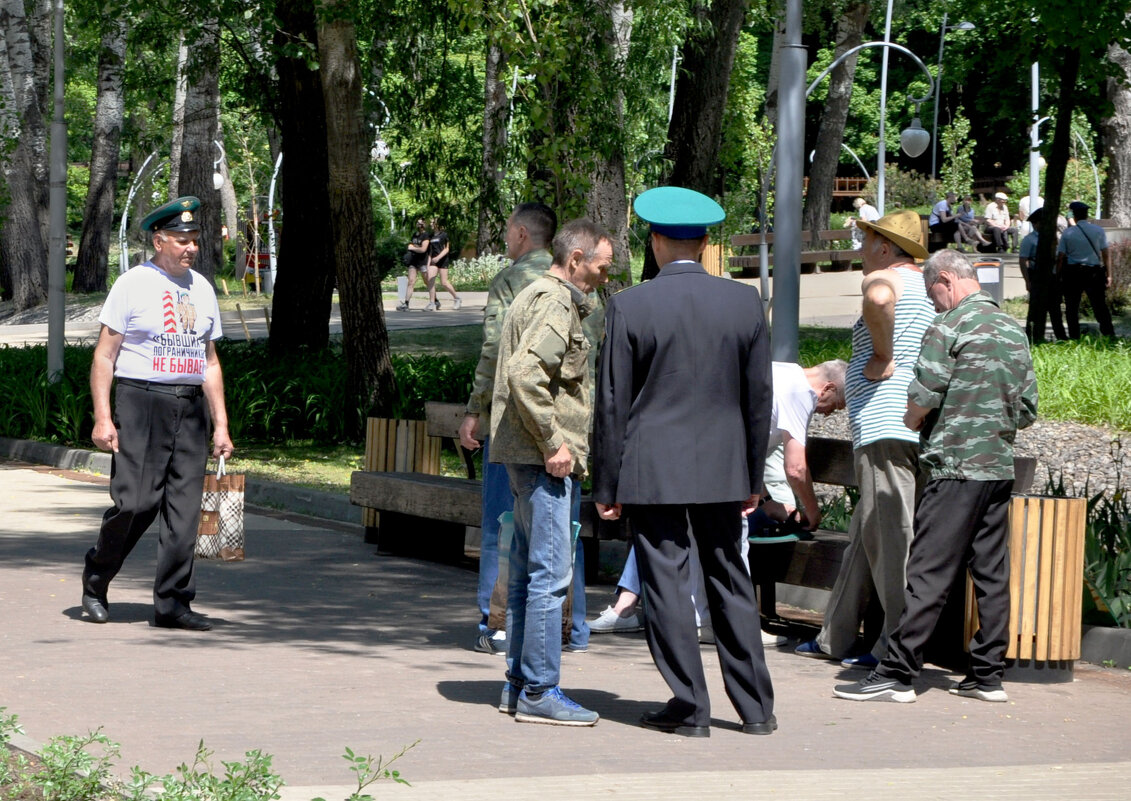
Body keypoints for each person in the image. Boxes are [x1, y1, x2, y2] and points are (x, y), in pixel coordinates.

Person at [593, 186, 776, 738]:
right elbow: (758, 396)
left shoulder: (629, 305)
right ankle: (757, 710)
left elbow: (612, 402)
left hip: (653, 470)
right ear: (704, 242)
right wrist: (752, 476)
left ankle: (690, 706)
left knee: (666, 585)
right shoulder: (745, 302)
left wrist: (606, 483)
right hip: (724, 469)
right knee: (730, 578)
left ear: (654, 241)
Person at [833, 249, 1037, 703]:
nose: (934, 302)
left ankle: (898, 672)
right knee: (991, 574)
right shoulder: (1012, 329)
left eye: (933, 293)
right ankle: (986, 676)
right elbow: (1027, 409)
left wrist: (911, 419)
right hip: (997, 468)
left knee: (927, 570)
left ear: (946, 279)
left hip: (953, 468)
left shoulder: (949, 326)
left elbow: (922, 395)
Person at [589, 359, 847, 641]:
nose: (826, 414)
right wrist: (813, 511)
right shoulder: (800, 392)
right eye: (835, 405)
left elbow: (751, 436)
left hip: (692, 444)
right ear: (827, 388)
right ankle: (739, 629)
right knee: (735, 541)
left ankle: (703, 620)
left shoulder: (778, 370)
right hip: (719, 462)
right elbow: (796, 468)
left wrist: (765, 500)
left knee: (688, 531)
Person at [81, 196, 234, 631]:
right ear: (158, 240)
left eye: (194, 240)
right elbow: (105, 357)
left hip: (190, 409)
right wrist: (103, 417)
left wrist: (220, 424)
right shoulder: (133, 283)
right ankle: (96, 577)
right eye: (181, 239)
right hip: (140, 401)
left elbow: (210, 362)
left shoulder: (202, 289)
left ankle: (172, 604)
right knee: (135, 504)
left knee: (185, 515)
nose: (190, 247)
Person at [795, 209, 934, 670]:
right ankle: (843, 639)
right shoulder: (925, 288)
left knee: (893, 542)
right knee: (870, 538)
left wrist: (881, 353)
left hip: (885, 428)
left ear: (885, 246)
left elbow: (876, 299)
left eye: (866, 239)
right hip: (903, 429)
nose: (860, 249)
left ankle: (897, 649)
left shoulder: (890, 280)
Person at [491, 218, 612, 726]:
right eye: (603, 266)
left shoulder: (539, 294)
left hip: (528, 455)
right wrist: (554, 441)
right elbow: (525, 373)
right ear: (577, 259)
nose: (608, 275)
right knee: (550, 575)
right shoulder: (557, 301)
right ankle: (540, 689)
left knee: (526, 573)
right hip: (544, 459)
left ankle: (519, 684)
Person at [460, 202, 557, 656]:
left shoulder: (510, 282)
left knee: (503, 521)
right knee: (561, 524)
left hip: (510, 423)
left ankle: (496, 623)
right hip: (561, 426)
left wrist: (475, 409)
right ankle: (563, 628)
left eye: (506, 231)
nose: (504, 239)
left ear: (521, 234)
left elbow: (494, 350)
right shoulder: (573, 284)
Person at [1057, 201, 1115, 338]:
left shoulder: (1068, 233)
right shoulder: (1098, 231)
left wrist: (1058, 275)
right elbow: (1106, 253)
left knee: (1072, 307)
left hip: (1072, 273)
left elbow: (1060, 257)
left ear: (1073, 215)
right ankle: (1109, 334)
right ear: (1087, 215)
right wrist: (1109, 274)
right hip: (1094, 272)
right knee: (1100, 305)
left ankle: (1074, 336)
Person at [1019, 207, 1067, 342]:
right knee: (1037, 309)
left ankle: (1061, 336)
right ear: (1035, 223)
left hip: (1053, 277)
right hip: (1037, 276)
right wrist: (1027, 280)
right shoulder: (1029, 240)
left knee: (1055, 309)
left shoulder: (1053, 238)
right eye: (1040, 222)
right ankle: (1034, 336)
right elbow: (1023, 260)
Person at [396, 218, 432, 311]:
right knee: (411, 282)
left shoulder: (426, 235)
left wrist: (413, 248)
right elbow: (411, 245)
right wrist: (413, 248)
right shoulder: (415, 235)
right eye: (417, 223)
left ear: (424, 224)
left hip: (423, 261)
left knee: (427, 281)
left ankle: (434, 300)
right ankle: (406, 304)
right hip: (414, 261)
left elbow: (423, 249)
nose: (418, 224)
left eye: (420, 223)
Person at [425, 218, 461, 311]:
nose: (431, 224)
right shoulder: (431, 236)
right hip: (433, 260)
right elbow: (430, 252)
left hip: (442, 259)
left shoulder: (444, 235)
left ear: (438, 224)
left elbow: (446, 249)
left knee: (444, 282)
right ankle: (432, 303)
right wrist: (428, 264)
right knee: (430, 281)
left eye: (433, 223)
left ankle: (457, 298)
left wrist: (438, 258)